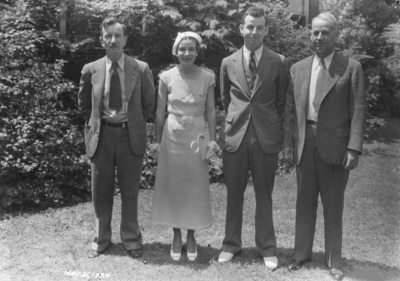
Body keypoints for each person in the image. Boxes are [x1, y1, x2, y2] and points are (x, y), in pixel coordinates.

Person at [283, 12, 367, 280]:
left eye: (325, 32)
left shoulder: (350, 67)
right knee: (304, 202)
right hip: (304, 142)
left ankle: (334, 260)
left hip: (336, 146)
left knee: (333, 204)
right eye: (315, 32)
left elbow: (359, 110)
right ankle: (300, 255)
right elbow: (289, 111)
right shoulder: (298, 68)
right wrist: (288, 143)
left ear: (336, 35)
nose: (319, 37)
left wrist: (353, 148)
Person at [217, 6, 289, 270]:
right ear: (241, 29)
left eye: (259, 27)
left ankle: (267, 247)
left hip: (265, 136)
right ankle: (230, 245)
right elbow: (226, 99)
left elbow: (280, 101)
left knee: (264, 194)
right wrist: (238, 120)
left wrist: (265, 121)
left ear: (266, 30)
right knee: (234, 193)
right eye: (250, 26)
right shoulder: (228, 62)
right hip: (235, 135)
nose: (254, 31)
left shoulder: (278, 61)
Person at [78, 17, 155, 259]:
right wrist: (98, 123)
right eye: (108, 35)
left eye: (117, 35)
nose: (113, 40)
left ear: (125, 39)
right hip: (101, 137)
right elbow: (83, 104)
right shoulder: (90, 69)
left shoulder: (140, 69)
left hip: (128, 135)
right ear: (102, 39)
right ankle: (101, 240)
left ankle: (131, 240)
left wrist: (128, 122)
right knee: (100, 191)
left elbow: (147, 104)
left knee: (130, 190)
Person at [149, 32, 218, 262]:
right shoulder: (166, 77)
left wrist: (212, 139)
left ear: (197, 52)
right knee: (173, 185)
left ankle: (191, 234)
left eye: (191, 49)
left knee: (194, 187)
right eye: (182, 49)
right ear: (176, 51)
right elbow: (159, 112)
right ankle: (176, 234)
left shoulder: (208, 77)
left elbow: (211, 111)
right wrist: (157, 140)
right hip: (172, 137)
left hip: (196, 137)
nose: (186, 53)